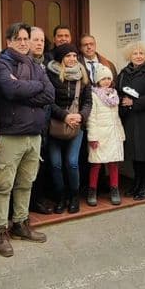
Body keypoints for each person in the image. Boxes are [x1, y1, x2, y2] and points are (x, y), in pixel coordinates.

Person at [0, 22, 54, 256]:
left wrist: (26, 89)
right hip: (10, 136)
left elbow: (49, 94)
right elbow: (9, 91)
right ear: (8, 41)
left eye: (26, 38)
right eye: (18, 38)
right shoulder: (2, 63)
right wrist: (32, 88)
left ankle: (20, 224)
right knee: (3, 185)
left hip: (33, 136)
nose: (24, 42)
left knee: (26, 183)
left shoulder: (36, 65)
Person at [46, 43, 92, 213]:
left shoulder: (83, 74)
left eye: (74, 55)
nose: (72, 59)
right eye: (68, 56)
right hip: (55, 126)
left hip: (76, 126)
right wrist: (64, 116)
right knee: (56, 164)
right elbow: (48, 102)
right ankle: (61, 197)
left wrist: (81, 116)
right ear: (60, 59)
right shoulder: (50, 74)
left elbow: (88, 102)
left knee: (72, 163)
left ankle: (74, 196)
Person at [117, 41, 145, 201]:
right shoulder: (123, 73)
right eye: (135, 53)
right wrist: (122, 102)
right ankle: (136, 183)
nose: (138, 56)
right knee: (134, 153)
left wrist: (134, 103)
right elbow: (117, 92)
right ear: (130, 56)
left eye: (141, 53)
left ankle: (144, 186)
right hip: (129, 119)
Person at [86, 65, 125, 206]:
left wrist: (120, 133)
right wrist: (93, 137)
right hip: (100, 135)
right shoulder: (94, 95)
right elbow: (91, 117)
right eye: (103, 79)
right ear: (97, 80)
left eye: (109, 78)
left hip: (113, 134)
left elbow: (117, 116)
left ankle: (114, 189)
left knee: (114, 163)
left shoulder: (114, 94)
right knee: (96, 164)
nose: (107, 81)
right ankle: (92, 190)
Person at [29, 26, 54, 215]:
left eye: (42, 41)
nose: (39, 44)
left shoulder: (48, 64)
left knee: (41, 163)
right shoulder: (18, 63)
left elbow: (50, 95)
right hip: (26, 123)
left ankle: (37, 200)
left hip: (44, 123)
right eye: (35, 40)